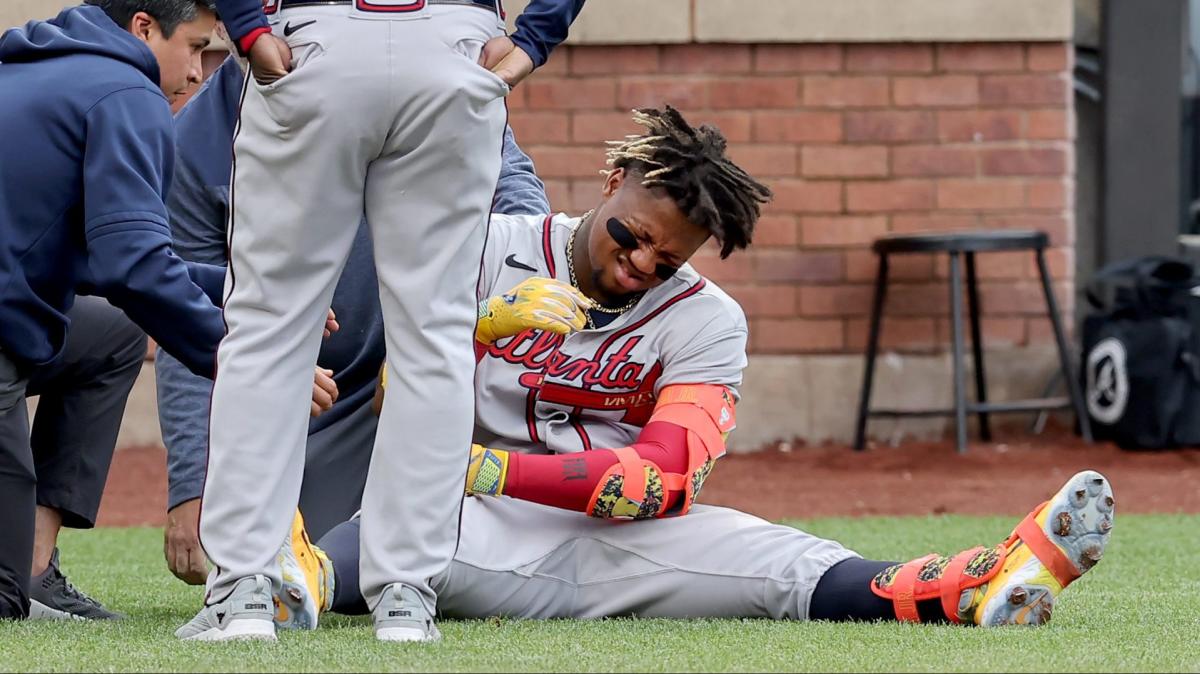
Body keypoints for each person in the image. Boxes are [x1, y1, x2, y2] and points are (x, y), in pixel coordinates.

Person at [282, 107, 1116, 630]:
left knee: (784, 562)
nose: (642, 263)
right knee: (410, 521)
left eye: (667, 256)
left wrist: (497, 464)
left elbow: (664, 479)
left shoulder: (708, 319)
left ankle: (981, 584)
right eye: (631, 236)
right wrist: (480, 326)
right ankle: (306, 581)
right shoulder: (482, 250)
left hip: (608, 532)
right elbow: (395, 406)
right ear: (611, 183)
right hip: (462, 517)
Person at [181, 0, 589, 643]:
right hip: (454, 43)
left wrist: (249, 29)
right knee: (435, 335)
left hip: (320, 41)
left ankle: (245, 590)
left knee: (271, 327)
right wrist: (536, 38)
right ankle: (406, 596)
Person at [0, 0, 335, 622]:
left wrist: (246, 291)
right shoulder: (126, 93)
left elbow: (97, 262)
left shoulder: (41, 67)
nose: (200, 70)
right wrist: (250, 363)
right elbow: (134, 269)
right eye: (195, 46)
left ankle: (35, 566)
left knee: (112, 335)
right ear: (143, 27)